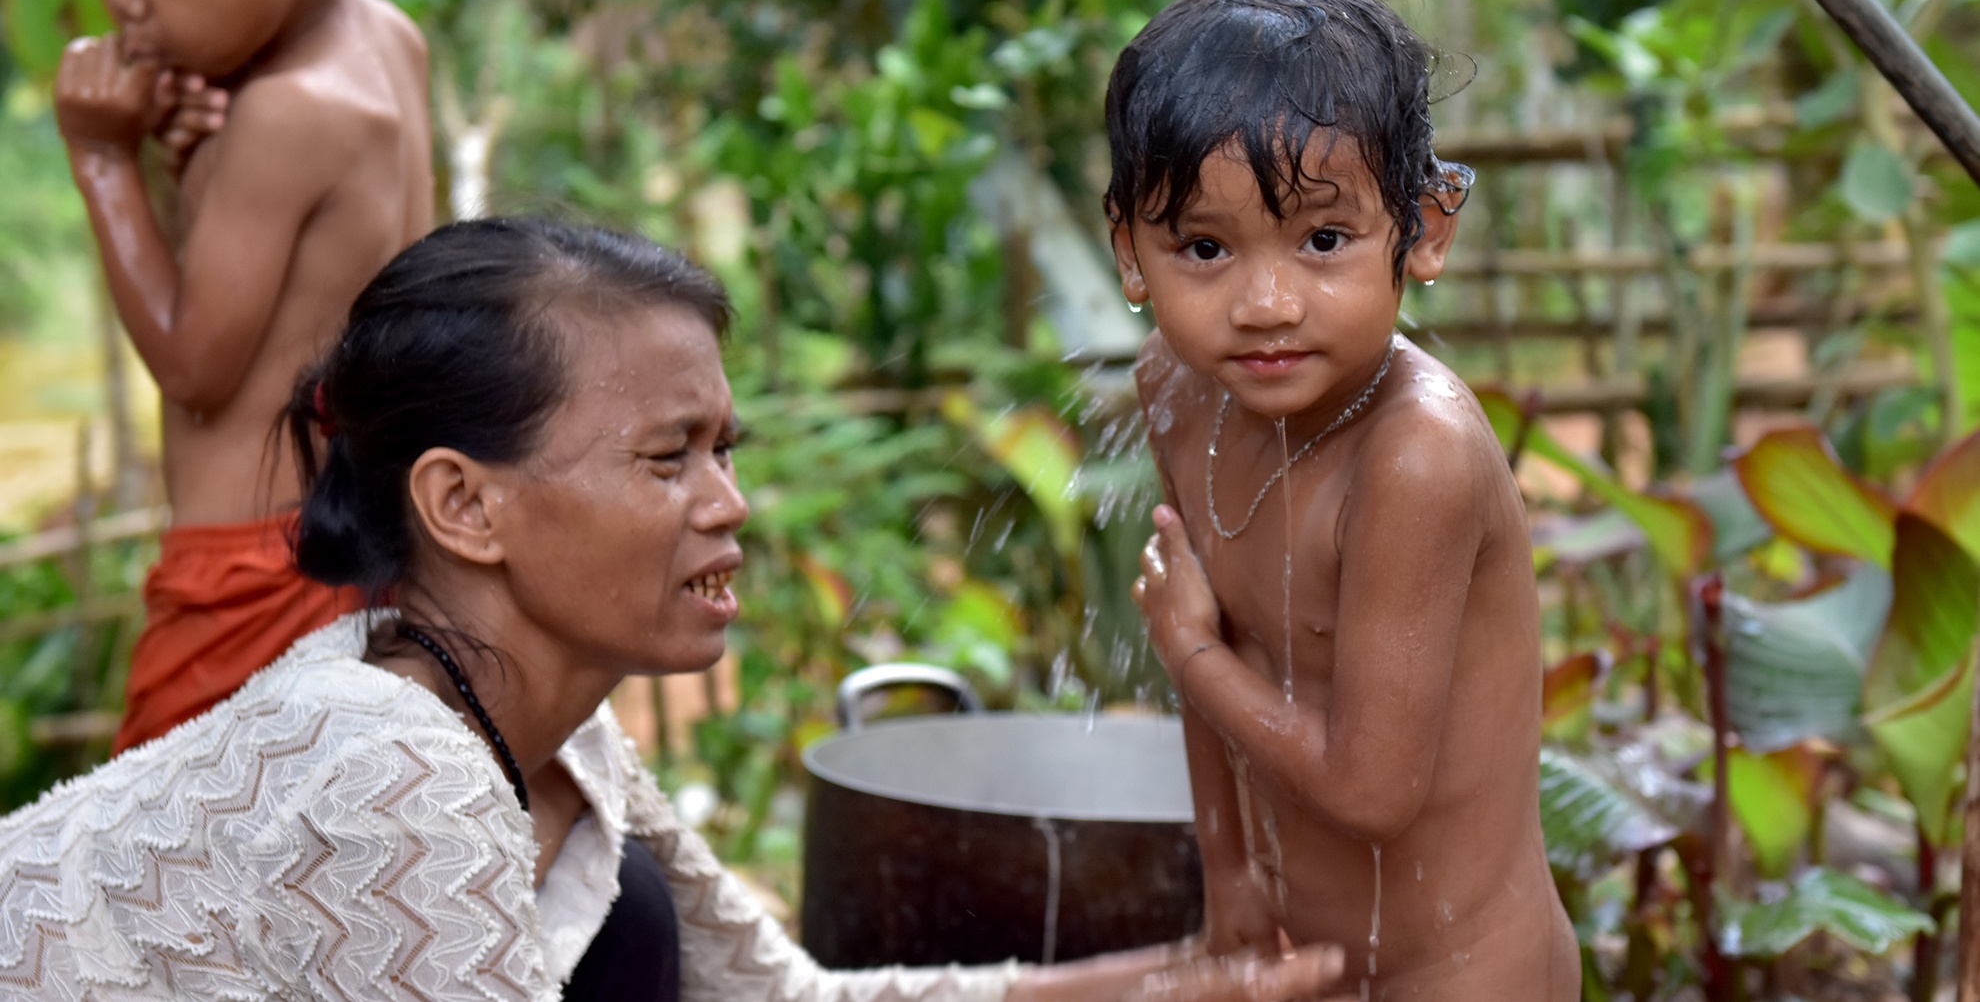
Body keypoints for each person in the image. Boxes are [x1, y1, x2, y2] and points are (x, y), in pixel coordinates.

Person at [0, 218, 1347, 1002]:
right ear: (465, 503)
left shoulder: (543, 729)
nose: (730, 502)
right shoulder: (383, 759)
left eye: (726, 446)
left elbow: (778, 999)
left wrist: (1178, 979)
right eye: (667, 458)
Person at [1107, 0, 1578, 1001]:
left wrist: (1183, 645)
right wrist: (1229, 871)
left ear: (1426, 228)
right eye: (1203, 247)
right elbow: (1222, 638)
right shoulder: (1179, 391)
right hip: (1306, 957)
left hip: (1465, 973)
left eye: (1324, 240)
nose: (1266, 302)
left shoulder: (1417, 455)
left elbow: (1372, 787)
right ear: (1129, 253)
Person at [50, 0, 434, 753]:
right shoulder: (388, 41)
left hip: (247, 575)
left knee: (162, 869)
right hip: (350, 541)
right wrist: (188, 170)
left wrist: (102, 161)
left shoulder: (285, 110)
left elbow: (196, 366)